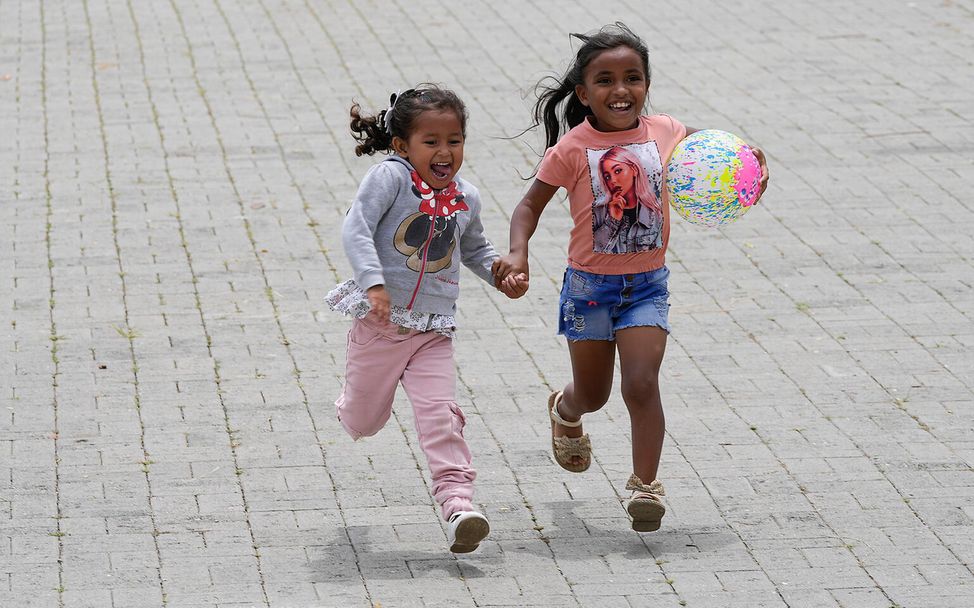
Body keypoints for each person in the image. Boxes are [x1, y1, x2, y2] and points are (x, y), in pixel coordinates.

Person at [492, 23, 768, 532]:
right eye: (605, 81)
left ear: (646, 83)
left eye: (632, 78)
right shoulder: (572, 148)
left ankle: (645, 486)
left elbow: (716, 152)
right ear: (583, 93)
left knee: (641, 383)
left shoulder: (666, 131)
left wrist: (749, 166)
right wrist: (517, 252)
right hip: (589, 291)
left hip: (646, 286)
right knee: (593, 395)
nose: (620, 90)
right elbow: (528, 207)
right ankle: (565, 408)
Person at [327, 85, 527, 552]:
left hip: (432, 331)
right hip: (380, 325)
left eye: (454, 140)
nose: (445, 152)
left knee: (441, 416)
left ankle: (458, 504)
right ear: (402, 145)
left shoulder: (466, 196)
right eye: (431, 141)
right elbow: (355, 226)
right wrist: (373, 281)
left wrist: (502, 276)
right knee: (363, 422)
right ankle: (350, 403)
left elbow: (475, 249)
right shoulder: (389, 179)